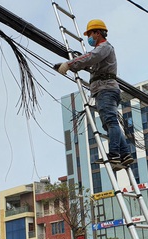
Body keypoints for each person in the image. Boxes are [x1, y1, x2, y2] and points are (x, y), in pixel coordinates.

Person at [54, 19, 133, 168]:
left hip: (106, 89)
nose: (88, 37)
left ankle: (114, 154)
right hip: (104, 89)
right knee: (110, 124)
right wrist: (67, 65)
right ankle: (125, 154)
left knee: (111, 122)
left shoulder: (104, 47)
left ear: (97, 33)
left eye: (90, 34)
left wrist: (69, 64)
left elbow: (89, 57)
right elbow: (89, 61)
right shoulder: (101, 51)